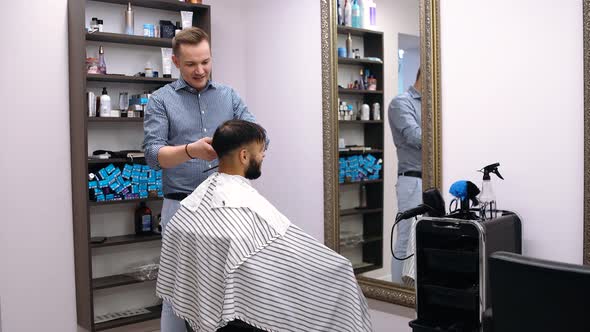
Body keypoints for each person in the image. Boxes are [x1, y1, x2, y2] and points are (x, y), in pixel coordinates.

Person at [156, 120, 373, 332]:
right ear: (243, 156)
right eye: (260, 151)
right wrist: (339, 268)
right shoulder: (246, 208)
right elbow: (286, 252)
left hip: (200, 312)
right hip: (236, 321)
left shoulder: (192, 204)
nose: (263, 156)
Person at [143, 27, 259, 332]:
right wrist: (190, 150)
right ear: (176, 62)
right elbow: (154, 156)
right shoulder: (160, 101)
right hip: (181, 206)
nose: (200, 70)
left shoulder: (229, 96)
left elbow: (260, 137)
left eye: (206, 62)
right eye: (192, 64)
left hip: (226, 207)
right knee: (176, 290)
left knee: (225, 285)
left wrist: (241, 148)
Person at [389, 68, 422, 284]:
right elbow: (415, 137)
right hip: (412, 181)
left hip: (433, 179)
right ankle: (398, 292)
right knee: (405, 239)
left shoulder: (434, 105)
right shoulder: (401, 103)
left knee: (423, 239)